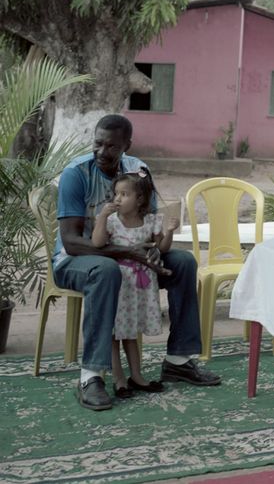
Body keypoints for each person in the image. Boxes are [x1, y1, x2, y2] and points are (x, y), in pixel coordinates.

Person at [54, 114, 220, 412]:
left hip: (132, 258)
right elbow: (70, 241)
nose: (102, 151)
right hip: (77, 261)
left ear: (126, 146)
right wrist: (126, 253)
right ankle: (91, 376)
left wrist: (153, 250)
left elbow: (150, 225)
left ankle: (179, 360)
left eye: (112, 146)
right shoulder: (76, 174)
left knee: (183, 262)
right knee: (106, 271)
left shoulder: (138, 170)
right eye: (98, 143)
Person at [91, 167, 179, 398]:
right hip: (119, 284)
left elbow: (162, 248)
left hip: (139, 286)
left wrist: (170, 232)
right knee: (114, 334)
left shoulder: (150, 221)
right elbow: (98, 243)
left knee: (130, 333)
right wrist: (102, 217)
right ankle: (119, 379)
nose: (118, 199)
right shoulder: (112, 221)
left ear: (139, 199)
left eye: (124, 194)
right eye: (116, 194)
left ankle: (137, 376)